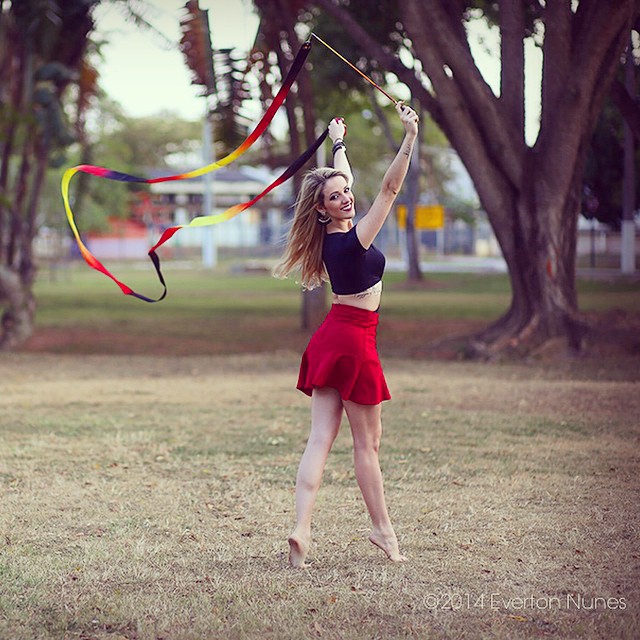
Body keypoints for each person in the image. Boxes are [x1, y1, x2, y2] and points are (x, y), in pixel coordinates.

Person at [273, 102, 419, 568]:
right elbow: (391, 187)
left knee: (320, 439)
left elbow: (348, 181)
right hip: (355, 342)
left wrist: (338, 142)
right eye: (336, 197)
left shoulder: (336, 238)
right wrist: (409, 136)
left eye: (345, 192)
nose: (347, 198)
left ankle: (301, 528)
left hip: (331, 336)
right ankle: (382, 531)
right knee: (366, 445)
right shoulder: (353, 240)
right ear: (322, 210)